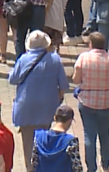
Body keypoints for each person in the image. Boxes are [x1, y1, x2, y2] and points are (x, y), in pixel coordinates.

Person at [8, 31, 69, 170]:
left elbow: (12, 79)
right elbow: (63, 85)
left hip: (26, 108)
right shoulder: (55, 59)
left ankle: (30, 169)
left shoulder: (23, 59)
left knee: (28, 144)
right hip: (47, 108)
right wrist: (58, 99)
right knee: (43, 142)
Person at [72, 31, 109, 172]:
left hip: (87, 101)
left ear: (91, 44)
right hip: (106, 102)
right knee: (105, 134)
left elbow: (76, 79)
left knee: (89, 135)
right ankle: (105, 166)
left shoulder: (83, 58)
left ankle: (91, 168)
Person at [31, 105, 82, 172]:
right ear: (70, 121)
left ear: (55, 118)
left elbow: (34, 162)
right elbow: (77, 167)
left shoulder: (39, 137)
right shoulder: (71, 141)